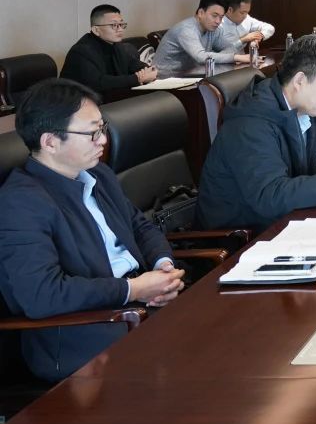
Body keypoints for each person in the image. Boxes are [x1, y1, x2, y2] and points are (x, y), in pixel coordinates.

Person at [0, 79, 184, 381]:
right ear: (50, 142)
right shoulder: (20, 203)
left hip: (139, 306)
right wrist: (132, 290)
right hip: (84, 335)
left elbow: (139, 225)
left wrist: (162, 266)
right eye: (92, 133)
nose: (103, 140)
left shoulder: (98, 174)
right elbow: (42, 295)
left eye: (103, 128)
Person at [195, 35, 316, 232]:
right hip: (244, 239)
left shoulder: (307, 109)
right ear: (300, 81)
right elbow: (271, 197)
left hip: (292, 224)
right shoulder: (250, 124)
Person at [60, 4, 158, 93]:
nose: (120, 29)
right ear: (96, 30)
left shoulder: (117, 46)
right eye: (114, 25)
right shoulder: (81, 51)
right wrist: (138, 79)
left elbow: (135, 65)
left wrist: (150, 71)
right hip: (77, 103)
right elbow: (99, 83)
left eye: (121, 24)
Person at [152, 0, 250, 76]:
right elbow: (200, 57)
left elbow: (230, 48)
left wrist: (216, 58)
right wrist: (235, 57)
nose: (218, 21)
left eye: (221, 17)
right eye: (214, 15)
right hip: (164, 80)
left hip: (191, 75)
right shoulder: (186, 29)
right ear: (201, 13)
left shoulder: (213, 29)